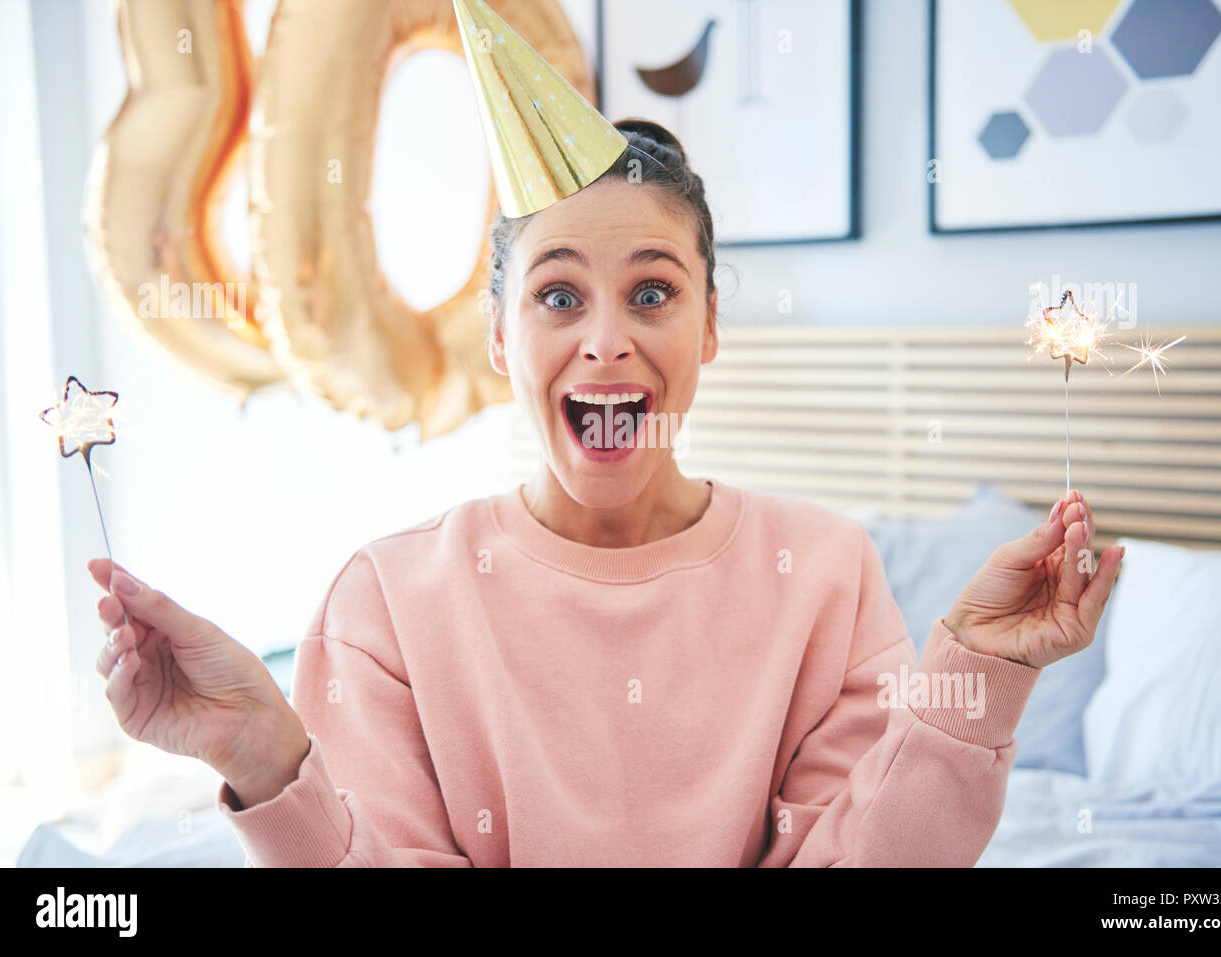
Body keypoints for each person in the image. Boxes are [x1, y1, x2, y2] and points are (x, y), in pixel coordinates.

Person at [88, 2, 1124, 867]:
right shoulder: (385, 602)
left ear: (710, 323)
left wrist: (982, 672)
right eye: (557, 298)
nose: (606, 343)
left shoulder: (827, 574)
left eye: (652, 293)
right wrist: (269, 758)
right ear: (498, 337)